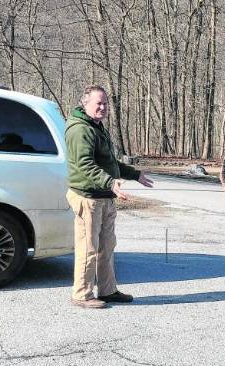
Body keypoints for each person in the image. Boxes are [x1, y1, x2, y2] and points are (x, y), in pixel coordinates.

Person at [65, 85, 155, 308]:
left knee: (107, 246)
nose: (103, 107)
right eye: (98, 103)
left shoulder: (96, 126)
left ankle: (107, 290)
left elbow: (109, 163)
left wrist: (134, 174)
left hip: (104, 197)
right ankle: (82, 294)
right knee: (88, 248)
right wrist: (109, 182)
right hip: (89, 198)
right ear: (85, 103)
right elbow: (85, 165)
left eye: (105, 103)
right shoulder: (80, 129)